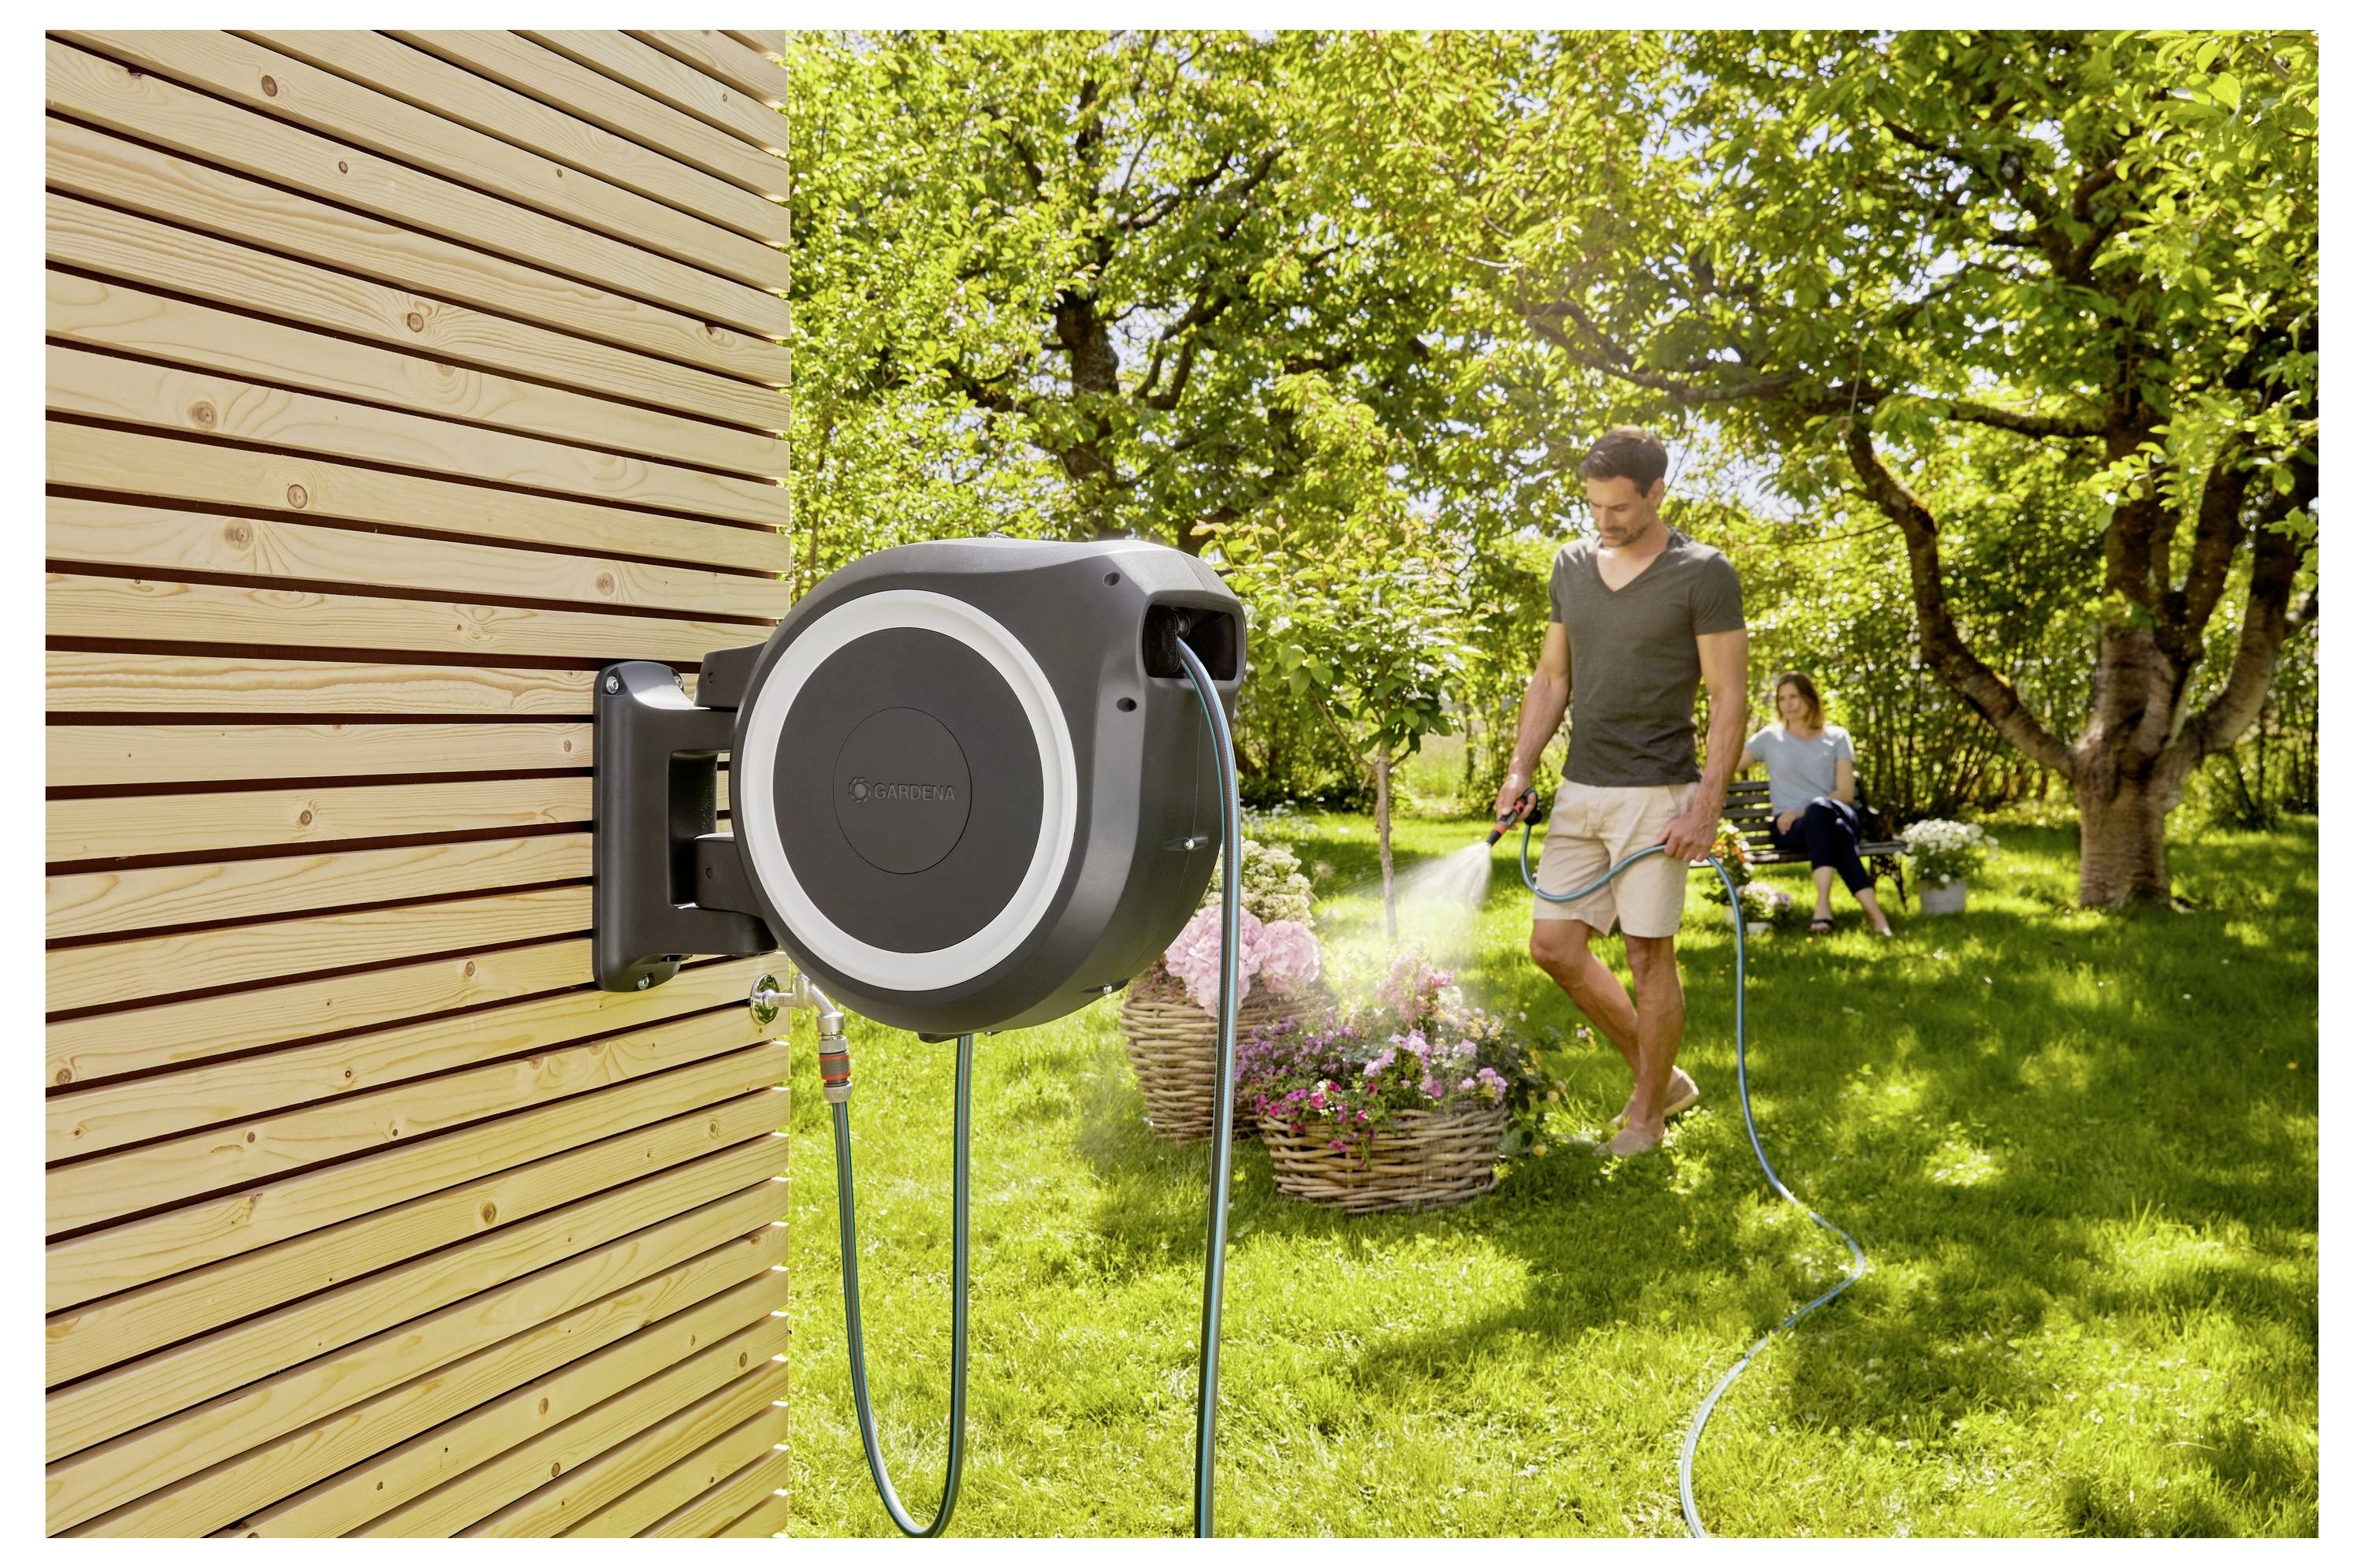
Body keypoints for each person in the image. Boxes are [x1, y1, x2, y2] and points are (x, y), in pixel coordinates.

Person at [1495, 427, 1749, 1158]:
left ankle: (1647, 1118)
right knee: (1554, 947)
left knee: (1647, 956)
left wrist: (1705, 805)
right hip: (1581, 787)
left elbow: (1730, 698)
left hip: (1655, 793)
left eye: (1619, 508)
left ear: (1656, 493)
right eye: (1594, 506)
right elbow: (1551, 677)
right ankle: (1662, 1080)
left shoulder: (1702, 573)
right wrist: (1520, 770)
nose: (1604, 521)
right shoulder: (1571, 566)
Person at [1744, 672, 1894, 937]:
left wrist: (1802, 810)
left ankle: (1823, 906)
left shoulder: (1836, 736)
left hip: (1834, 810)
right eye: (1782, 699)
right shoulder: (1769, 738)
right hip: (1791, 829)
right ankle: (1877, 917)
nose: (1788, 704)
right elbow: (1728, 765)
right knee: (1837, 833)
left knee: (1820, 811)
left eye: (1794, 696)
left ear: (1809, 698)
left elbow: (1846, 793)